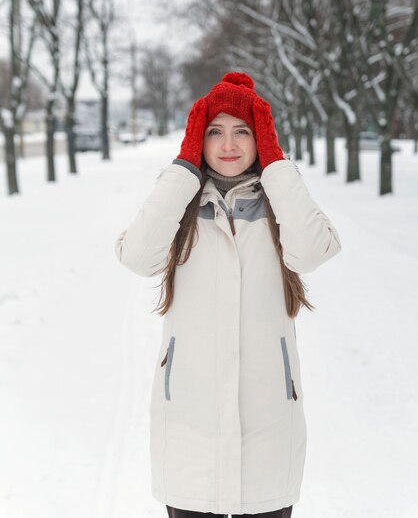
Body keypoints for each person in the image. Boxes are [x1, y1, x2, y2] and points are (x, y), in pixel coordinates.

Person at [114, 71, 342, 518]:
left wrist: (277, 166)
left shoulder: (281, 204)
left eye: (243, 131)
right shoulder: (178, 205)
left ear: (262, 138)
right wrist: (184, 168)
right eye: (214, 132)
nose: (228, 144)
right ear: (198, 138)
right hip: (189, 428)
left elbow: (314, 252)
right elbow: (137, 257)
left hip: (269, 425)